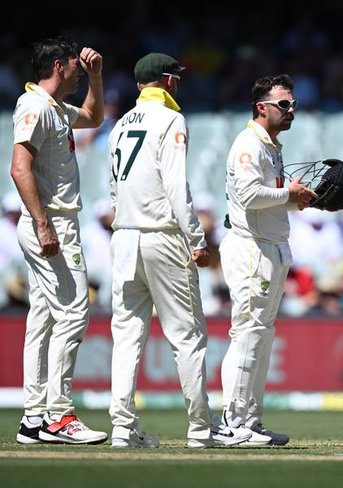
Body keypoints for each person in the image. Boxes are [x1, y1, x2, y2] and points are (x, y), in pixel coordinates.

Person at [107, 52, 251, 449]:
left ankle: (122, 427)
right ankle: (201, 429)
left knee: (127, 335)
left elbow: (114, 188)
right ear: (169, 81)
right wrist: (196, 239)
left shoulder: (119, 124)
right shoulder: (171, 119)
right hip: (162, 235)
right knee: (187, 336)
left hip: (124, 236)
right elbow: (175, 185)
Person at [10, 33, 108, 445]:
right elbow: (19, 168)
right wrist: (43, 224)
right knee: (73, 312)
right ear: (58, 66)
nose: (78, 71)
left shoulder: (55, 107)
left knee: (45, 318)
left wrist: (96, 78)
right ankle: (59, 415)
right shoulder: (35, 106)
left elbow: (94, 117)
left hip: (53, 222)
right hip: (51, 223)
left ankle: (34, 417)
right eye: (75, 66)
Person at [217, 74, 317, 446]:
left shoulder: (271, 146)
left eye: (293, 104)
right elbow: (247, 196)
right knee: (247, 334)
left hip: (270, 246)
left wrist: (296, 199)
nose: (291, 111)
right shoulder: (249, 144)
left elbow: (267, 197)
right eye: (283, 104)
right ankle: (231, 422)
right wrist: (288, 193)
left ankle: (250, 420)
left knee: (261, 335)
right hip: (251, 249)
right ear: (262, 107)